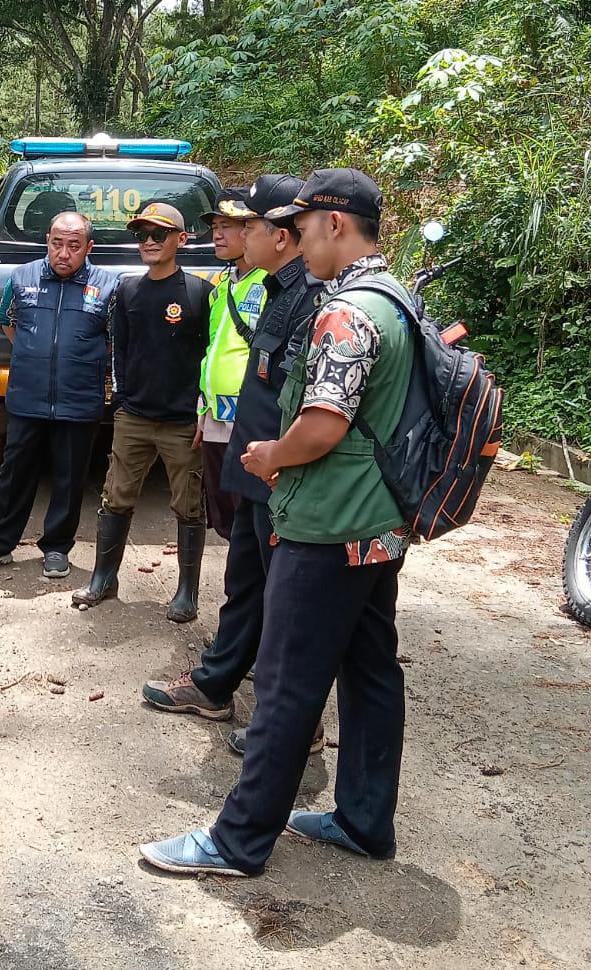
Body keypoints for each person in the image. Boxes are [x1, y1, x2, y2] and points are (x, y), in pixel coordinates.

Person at [140, 168, 414, 877]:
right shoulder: (397, 298)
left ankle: (237, 841)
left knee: (289, 681)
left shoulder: (347, 311)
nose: (297, 237)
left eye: (305, 224)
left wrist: (270, 455)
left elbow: (321, 427)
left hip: (327, 525)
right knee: (370, 669)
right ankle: (363, 819)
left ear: (335, 225)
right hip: (378, 522)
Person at [141, 176, 324, 740]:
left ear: (280, 235)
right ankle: (216, 686)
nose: (239, 234)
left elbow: (308, 403)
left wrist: (277, 459)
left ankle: (295, 724)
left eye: (249, 225)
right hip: (253, 467)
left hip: (280, 477)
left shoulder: (309, 299)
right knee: (245, 584)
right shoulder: (270, 289)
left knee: (286, 601)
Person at [71, 202, 212, 623]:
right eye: (142, 235)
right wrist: (122, 399)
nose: (149, 242)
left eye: (159, 234)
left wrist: (202, 407)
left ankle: (187, 591)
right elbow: (122, 348)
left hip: (183, 421)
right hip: (133, 417)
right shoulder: (128, 289)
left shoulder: (200, 293)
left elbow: (209, 354)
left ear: (181, 240)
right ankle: (103, 578)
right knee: (115, 497)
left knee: (189, 505)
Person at [0, 212, 119, 579]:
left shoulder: (110, 286)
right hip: (28, 396)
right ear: (47, 241)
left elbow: (114, 339)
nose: (63, 253)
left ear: (89, 248)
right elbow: (6, 321)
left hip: (79, 398)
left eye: (74, 245)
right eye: (56, 243)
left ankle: (56, 548)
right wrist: (37, 357)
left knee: (69, 478)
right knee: (15, 473)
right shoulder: (22, 277)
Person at [196, 187, 268, 540]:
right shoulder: (222, 283)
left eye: (229, 226)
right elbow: (213, 349)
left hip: (249, 421)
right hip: (215, 417)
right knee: (224, 517)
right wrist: (202, 409)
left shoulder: (270, 284)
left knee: (251, 518)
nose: (218, 234)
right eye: (215, 226)